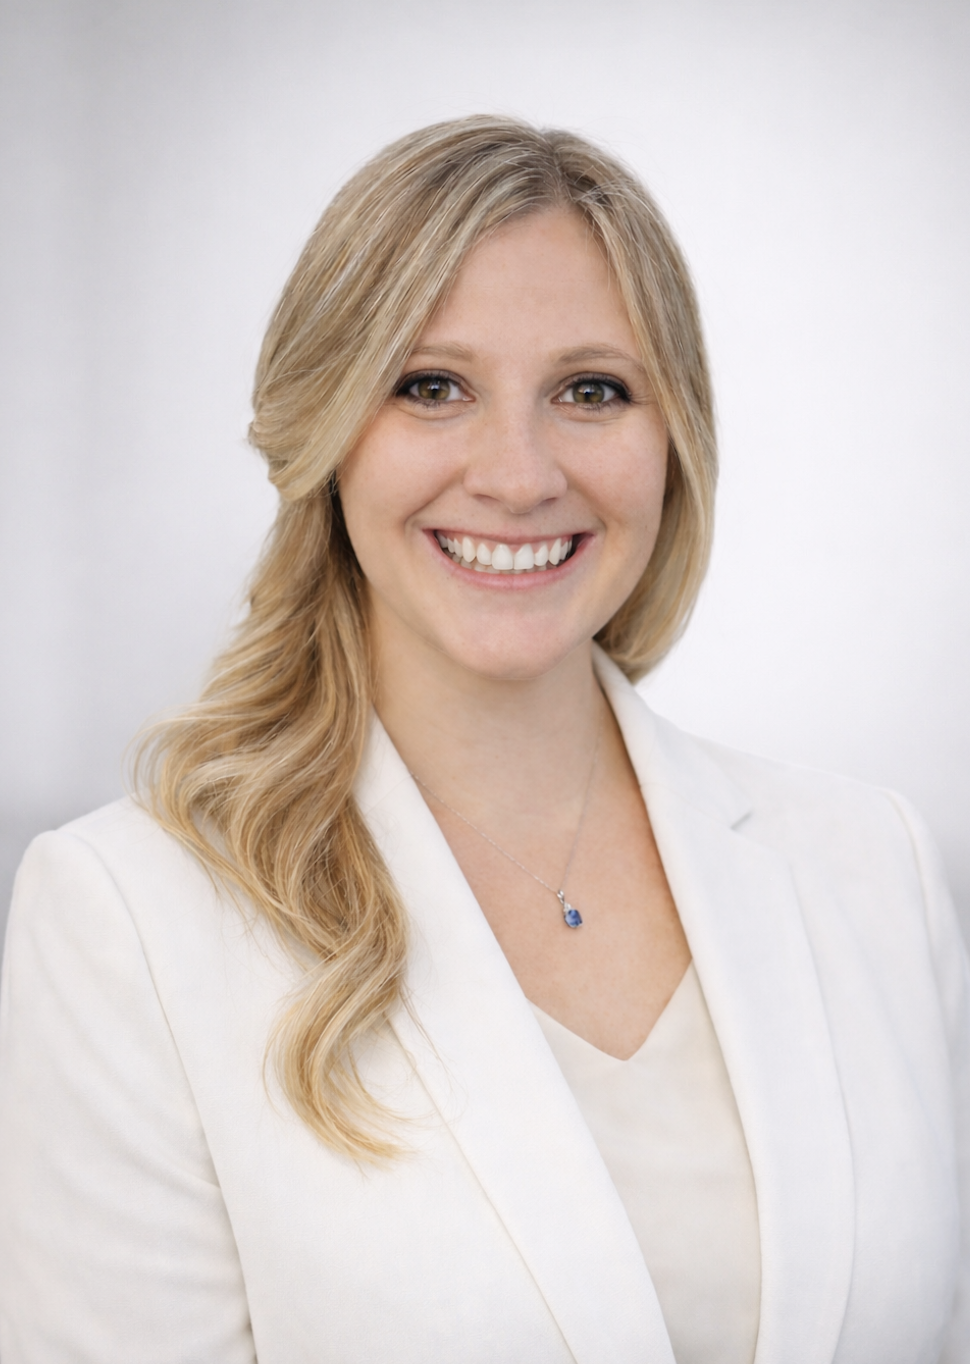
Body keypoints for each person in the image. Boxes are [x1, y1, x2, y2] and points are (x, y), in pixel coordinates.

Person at [0, 116, 966, 1364]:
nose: (517, 475)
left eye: (590, 390)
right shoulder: (126, 917)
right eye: (431, 386)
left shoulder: (871, 865)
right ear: (329, 428)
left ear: (672, 440)